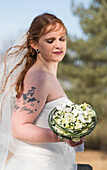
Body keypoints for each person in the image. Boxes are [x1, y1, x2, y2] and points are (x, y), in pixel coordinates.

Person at [0, 13, 84, 170]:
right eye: (50, 41)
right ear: (34, 44)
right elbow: (19, 128)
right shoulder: (38, 77)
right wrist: (62, 136)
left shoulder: (48, 77)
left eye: (62, 39)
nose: (58, 45)